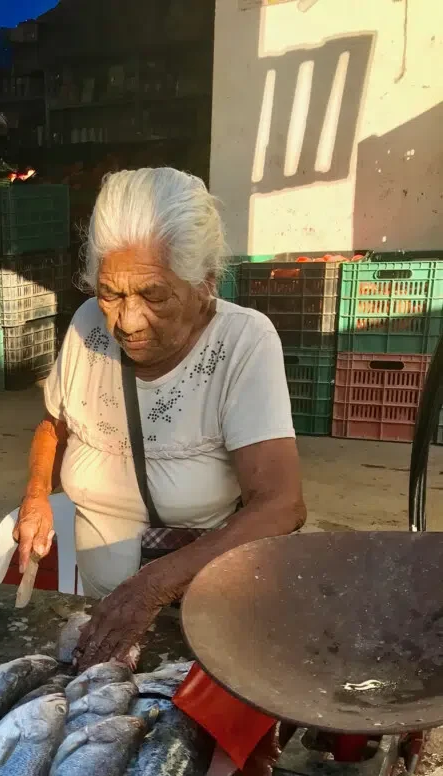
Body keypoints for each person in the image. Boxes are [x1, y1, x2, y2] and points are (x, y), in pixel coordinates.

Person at [15, 167, 306, 670]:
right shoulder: (87, 326)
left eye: (153, 295)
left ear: (205, 285)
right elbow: (52, 425)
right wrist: (36, 496)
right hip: (103, 609)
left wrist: (150, 588)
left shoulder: (243, 342)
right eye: (111, 293)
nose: (126, 321)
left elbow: (282, 505)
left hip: (205, 610)